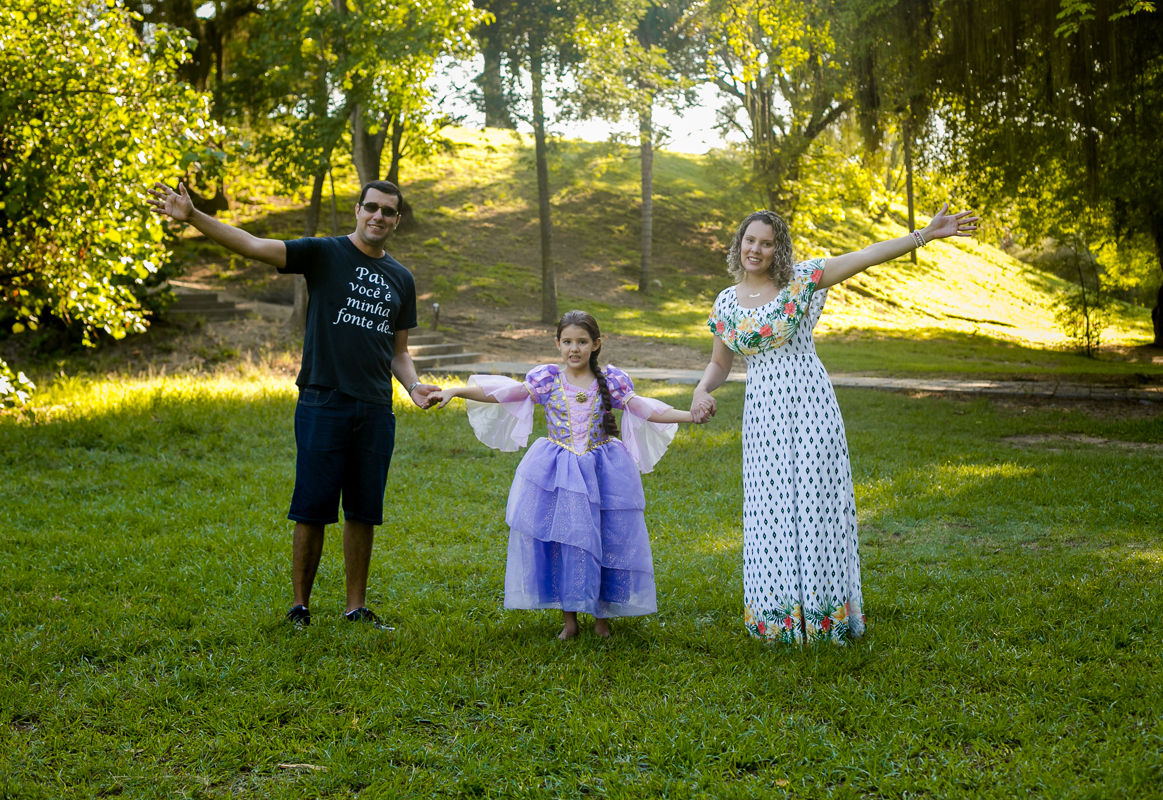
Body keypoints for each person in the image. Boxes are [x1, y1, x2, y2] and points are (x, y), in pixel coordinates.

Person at [147, 179, 440, 629]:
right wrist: (194, 217)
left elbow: (398, 351)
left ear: (397, 220)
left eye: (388, 211)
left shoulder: (401, 278)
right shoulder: (324, 253)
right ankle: (300, 607)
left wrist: (413, 386)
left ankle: (355, 608)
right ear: (357, 210)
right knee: (312, 507)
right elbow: (252, 245)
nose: (378, 216)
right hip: (324, 400)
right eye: (372, 207)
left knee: (363, 511)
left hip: (375, 408)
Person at [690, 204, 978, 645]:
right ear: (739, 244)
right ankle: (778, 621)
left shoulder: (802, 280)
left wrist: (924, 234)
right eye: (750, 240)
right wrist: (701, 389)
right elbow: (719, 363)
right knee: (770, 512)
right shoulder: (726, 302)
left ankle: (826, 619)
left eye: (767, 243)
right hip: (763, 417)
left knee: (817, 505)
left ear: (779, 249)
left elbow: (865, 256)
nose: (756, 250)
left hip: (811, 407)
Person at [431, 310, 702, 639]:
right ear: (557, 344)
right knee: (566, 540)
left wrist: (689, 415)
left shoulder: (611, 381)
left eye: (582, 342)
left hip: (603, 472)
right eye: (568, 341)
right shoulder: (547, 380)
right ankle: (569, 620)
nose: (575, 348)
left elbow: (645, 408)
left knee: (605, 538)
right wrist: (456, 391)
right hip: (561, 472)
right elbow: (504, 394)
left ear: (596, 344)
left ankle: (602, 618)